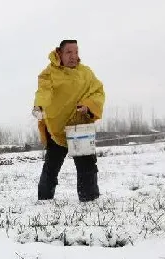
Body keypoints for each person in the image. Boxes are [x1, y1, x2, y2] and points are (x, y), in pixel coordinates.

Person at [33, 39, 105, 202]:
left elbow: (98, 92)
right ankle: (44, 199)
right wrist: (39, 106)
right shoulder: (49, 73)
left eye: (76, 52)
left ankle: (89, 199)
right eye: (69, 52)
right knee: (51, 168)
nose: (74, 56)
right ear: (59, 53)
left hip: (79, 128)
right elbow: (43, 91)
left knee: (87, 166)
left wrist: (88, 106)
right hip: (57, 130)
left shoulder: (86, 73)